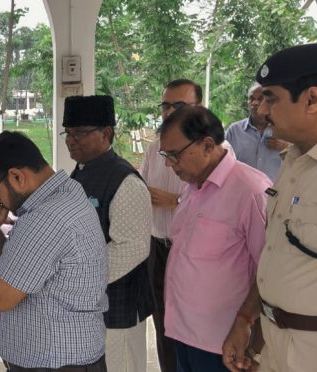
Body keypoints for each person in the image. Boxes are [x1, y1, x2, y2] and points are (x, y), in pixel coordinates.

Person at [222, 43, 317, 372]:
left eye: (271, 98)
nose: (262, 110)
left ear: (312, 100)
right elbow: (278, 254)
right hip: (275, 344)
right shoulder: (294, 160)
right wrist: (246, 319)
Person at [0, 131, 108, 371]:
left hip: (56, 364)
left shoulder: (46, 219)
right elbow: (10, 267)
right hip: (66, 359)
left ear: (16, 177)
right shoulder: (67, 192)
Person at [158, 106, 270, 371]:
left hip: (223, 344)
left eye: (174, 155)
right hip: (183, 332)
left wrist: (252, 338)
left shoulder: (251, 191)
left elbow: (269, 272)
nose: (168, 164)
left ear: (207, 145)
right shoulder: (192, 186)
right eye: (166, 155)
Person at [63, 95, 153, 372]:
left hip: (118, 306)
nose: (71, 141)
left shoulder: (124, 180)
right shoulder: (79, 174)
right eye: (68, 133)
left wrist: (77, 277)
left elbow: (132, 247)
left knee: (119, 364)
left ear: (106, 133)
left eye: (80, 133)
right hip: (88, 303)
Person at [140, 78, 202, 372]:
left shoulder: (215, 149)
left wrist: (174, 201)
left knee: (194, 326)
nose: (170, 112)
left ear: (199, 107)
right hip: (158, 248)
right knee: (163, 323)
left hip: (195, 253)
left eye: (179, 105)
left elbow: (217, 202)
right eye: (166, 105)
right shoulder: (155, 149)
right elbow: (142, 187)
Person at [225, 83, 289, 181]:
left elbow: (300, 162)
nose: (255, 103)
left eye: (260, 99)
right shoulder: (234, 131)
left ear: (269, 102)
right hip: (241, 189)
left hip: (276, 189)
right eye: (251, 98)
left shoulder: (285, 131)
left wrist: (286, 147)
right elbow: (224, 163)